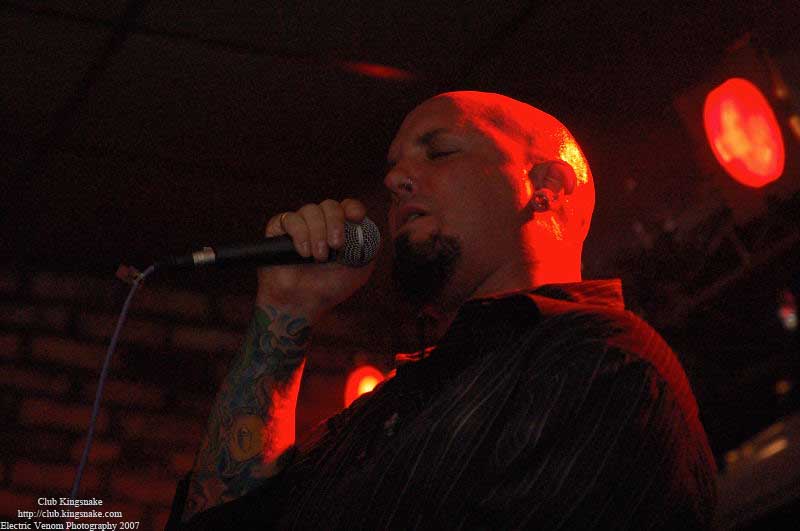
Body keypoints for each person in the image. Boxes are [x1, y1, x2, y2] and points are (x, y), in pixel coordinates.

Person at [166, 91, 717, 529]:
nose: (394, 179)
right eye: (394, 166)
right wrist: (286, 309)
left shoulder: (603, 362)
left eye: (440, 151)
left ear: (546, 186)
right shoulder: (382, 411)